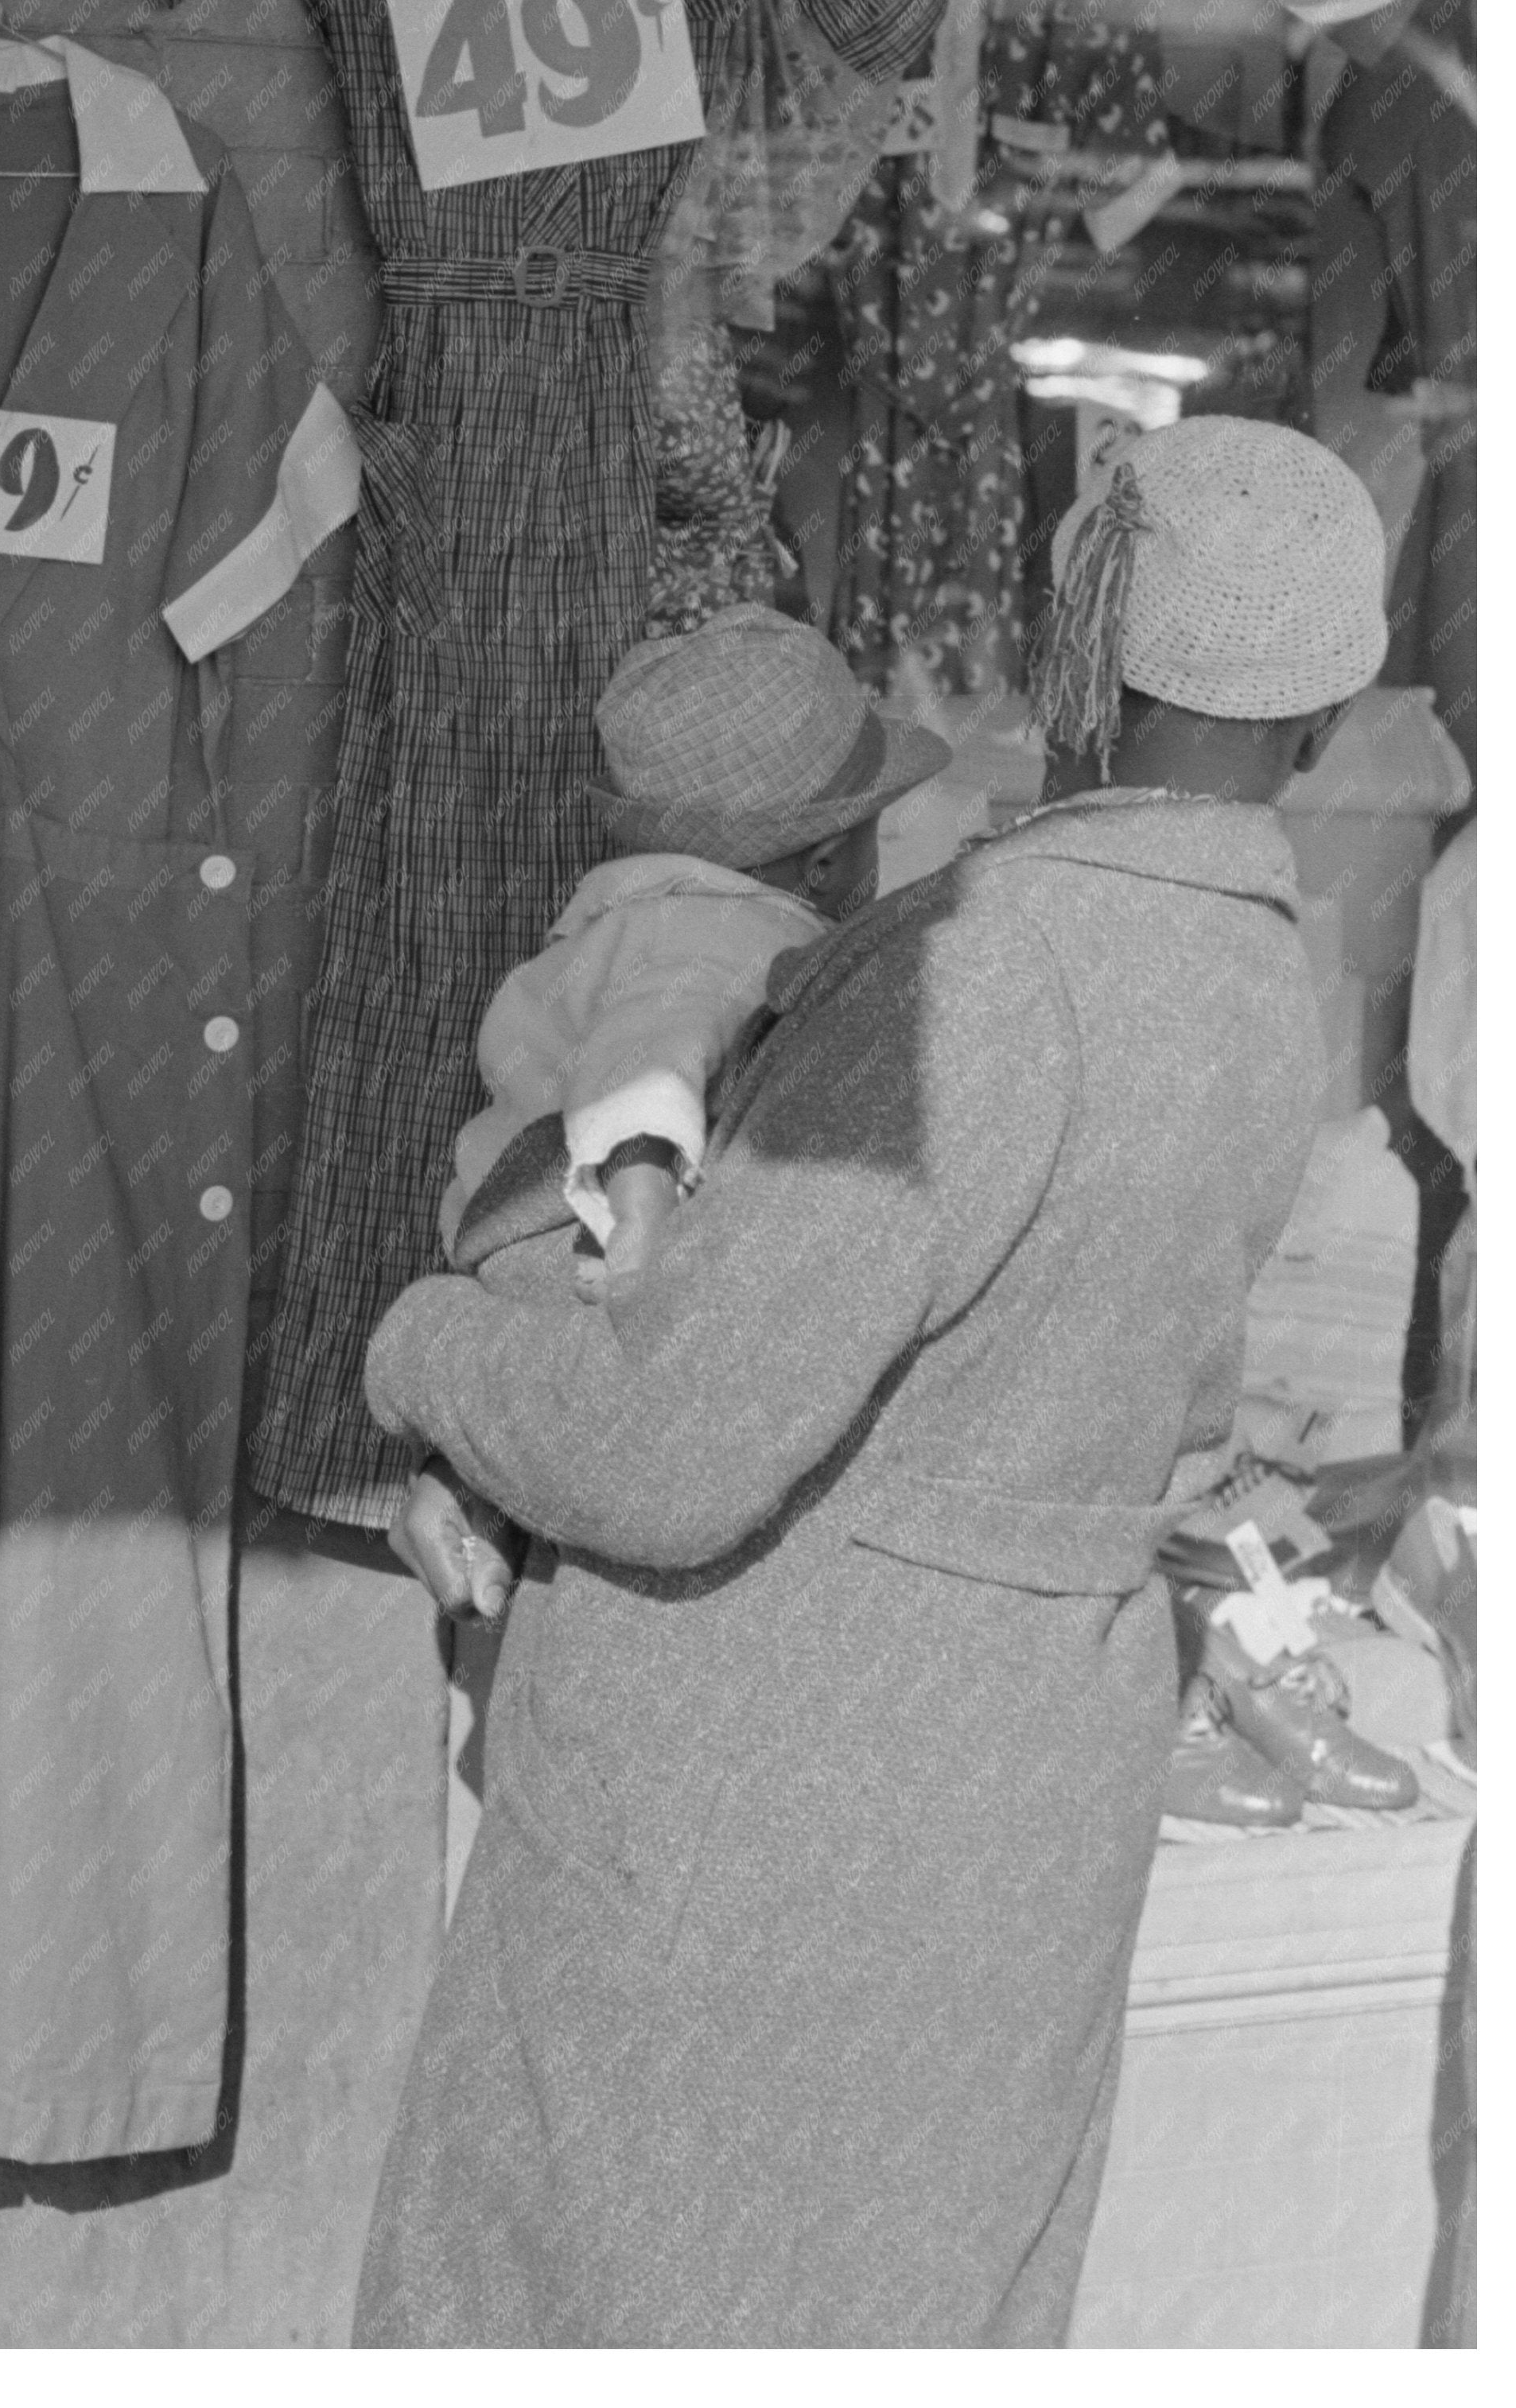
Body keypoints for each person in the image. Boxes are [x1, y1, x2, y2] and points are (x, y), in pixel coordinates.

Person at [354, 417, 1389, 2346]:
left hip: (777, 1798)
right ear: (1319, 719)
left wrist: (416, 1345)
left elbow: (667, 1451)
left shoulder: (976, 972)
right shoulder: (1260, 977)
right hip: (1013, 1780)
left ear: (1075, 652)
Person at [401, 611, 947, 1622]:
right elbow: (644, 1066)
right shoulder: (727, 934)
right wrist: (644, 1222)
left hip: (496, 1224)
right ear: (825, 860)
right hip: (574, 1227)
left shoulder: (629, 912)